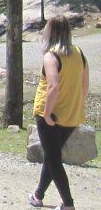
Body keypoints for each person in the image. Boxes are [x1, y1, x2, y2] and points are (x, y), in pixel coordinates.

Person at [28, 15, 90, 210]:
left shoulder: (51, 56)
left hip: (51, 113)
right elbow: (85, 85)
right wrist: (76, 104)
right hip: (71, 114)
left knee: (54, 159)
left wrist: (46, 114)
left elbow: (53, 86)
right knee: (52, 154)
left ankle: (68, 204)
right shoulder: (79, 53)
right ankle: (38, 196)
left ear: (50, 32)